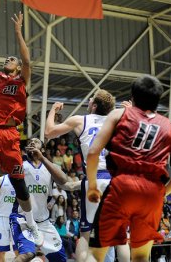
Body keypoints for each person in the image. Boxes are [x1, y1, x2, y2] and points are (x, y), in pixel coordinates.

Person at [85, 75, 171, 261]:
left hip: (122, 186)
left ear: (132, 97)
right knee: (141, 257)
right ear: (158, 100)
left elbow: (93, 152)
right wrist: (163, 193)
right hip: (152, 192)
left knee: (95, 253)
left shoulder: (119, 114)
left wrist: (92, 185)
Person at [0, 12, 42, 256]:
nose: (8, 59)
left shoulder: (23, 79)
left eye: (12, 58)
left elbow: (27, 59)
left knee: (20, 184)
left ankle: (31, 224)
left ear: (18, 67)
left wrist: (17, 31)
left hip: (12, 135)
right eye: (7, 58)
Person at [44, 90, 129, 262]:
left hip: (94, 179)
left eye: (90, 100)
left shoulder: (80, 120)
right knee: (120, 236)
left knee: (84, 234)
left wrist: (53, 110)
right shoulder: (119, 121)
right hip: (115, 180)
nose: (88, 101)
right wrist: (133, 111)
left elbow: (49, 132)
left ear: (95, 105)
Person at [10, 138, 67, 262]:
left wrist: (42, 158)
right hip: (22, 219)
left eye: (35, 141)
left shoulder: (50, 168)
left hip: (43, 221)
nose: (32, 142)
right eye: (30, 142)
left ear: (42, 149)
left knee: (61, 259)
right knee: (27, 255)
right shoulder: (21, 166)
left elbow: (63, 180)